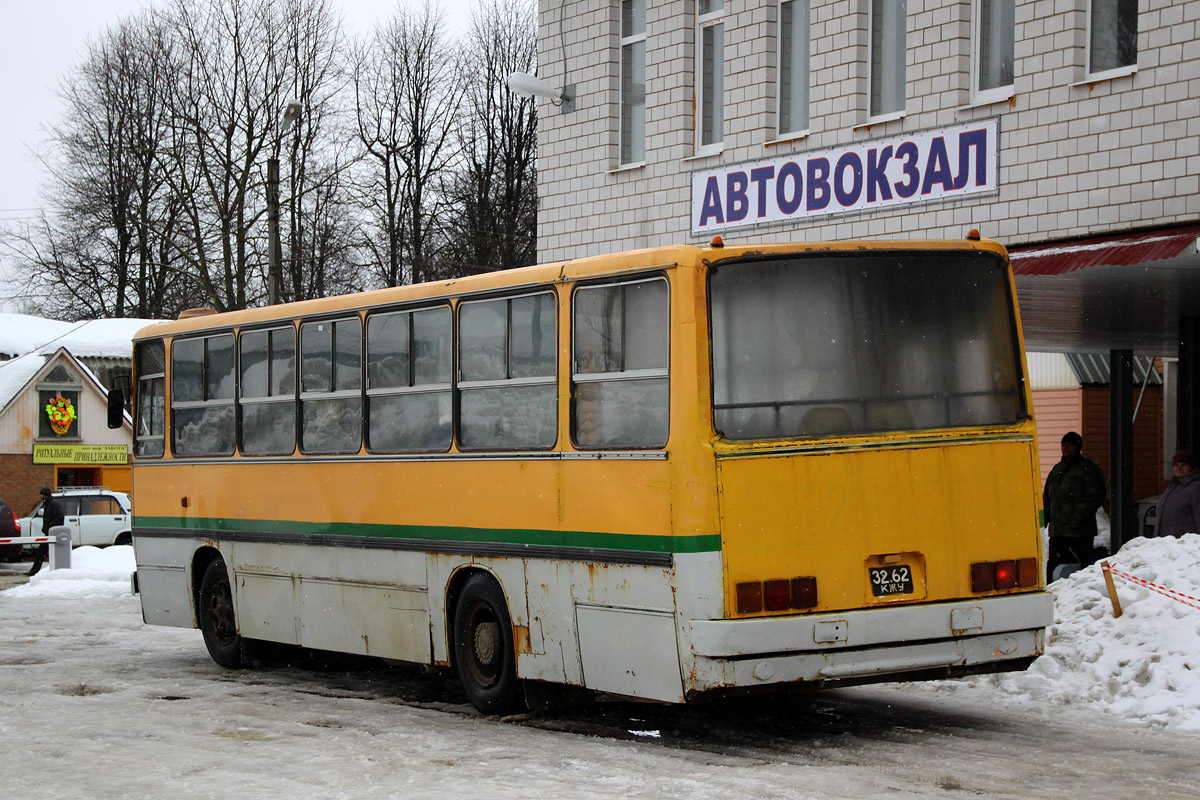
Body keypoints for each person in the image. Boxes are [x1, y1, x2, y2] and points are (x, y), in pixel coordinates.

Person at [1043, 431, 1106, 581]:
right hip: (1058, 532)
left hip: (1080, 533)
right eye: (1063, 445)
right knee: (1055, 571)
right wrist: (1044, 520)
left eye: (1070, 445)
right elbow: (1047, 497)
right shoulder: (1057, 470)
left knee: (1078, 572)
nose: (1066, 448)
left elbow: (1095, 496)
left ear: (1078, 447)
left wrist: (1077, 516)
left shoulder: (1088, 469)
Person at [1155, 449, 1200, 538]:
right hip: (1167, 544)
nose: (1179, 468)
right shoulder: (1172, 486)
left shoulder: (1196, 487)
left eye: (1184, 465)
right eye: (1176, 465)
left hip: (1184, 545)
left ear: (1191, 467)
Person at [26, 487, 65, 577]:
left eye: (42, 495)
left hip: (53, 533)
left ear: (46, 495)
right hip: (49, 532)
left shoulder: (54, 504)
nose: (41, 497)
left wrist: (50, 527)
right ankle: (38, 570)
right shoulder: (48, 504)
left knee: (42, 551)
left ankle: (35, 571)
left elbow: (60, 517)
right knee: (45, 552)